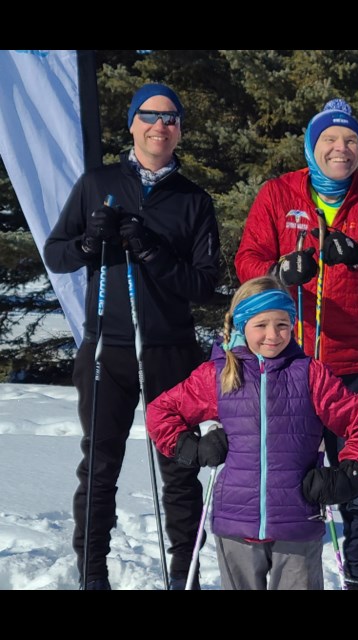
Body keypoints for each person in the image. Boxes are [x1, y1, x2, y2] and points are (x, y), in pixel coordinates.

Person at [42, 83, 222, 590]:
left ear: (180, 130)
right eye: (149, 116)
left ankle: (183, 576)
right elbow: (56, 255)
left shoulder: (193, 200)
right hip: (107, 350)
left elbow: (206, 285)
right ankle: (92, 574)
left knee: (180, 467)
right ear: (132, 124)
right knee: (99, 466)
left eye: (170, 118)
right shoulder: (97, 182)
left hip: (170, 351)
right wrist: (87, 242)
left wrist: (151, 252)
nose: (159, 126)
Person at [234, 98, 358, 589]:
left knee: (356, 477)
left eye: (351, 141)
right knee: (285, 473)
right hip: (288, 360)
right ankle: (287, 571)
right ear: (313, 147)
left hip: (353, 363)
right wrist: (277, 274)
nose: (342, 149)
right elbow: (246, 257)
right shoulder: (279, 193)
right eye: (331, 140)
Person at [146, 277, 358, 590]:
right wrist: (192, 448)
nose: (273, 335)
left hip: (298, 522)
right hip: (235, 523)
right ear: (242, 325)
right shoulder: (218, 375)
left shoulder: (310, 374)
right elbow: (161, 413)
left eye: (283, 324)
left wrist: (350, 472)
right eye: (261, 325)